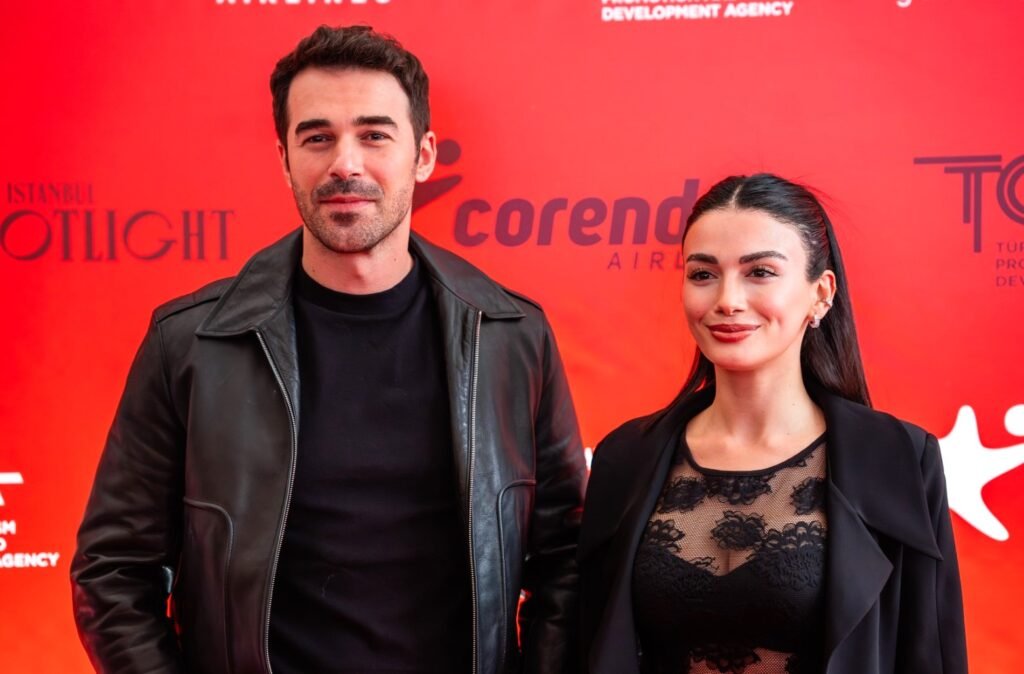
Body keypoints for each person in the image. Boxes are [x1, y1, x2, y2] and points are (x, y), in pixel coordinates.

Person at [71, 25, 586, 674]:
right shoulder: (192, 344)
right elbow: (113, 570)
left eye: (374, 134)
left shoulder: (511, 336)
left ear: (423, 155)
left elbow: (567, 559)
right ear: (285, 159)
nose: (346, 163)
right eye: (318, 137)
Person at [578, 173, 967, 674]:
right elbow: (586, 644)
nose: (727, 300)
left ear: (821, 294)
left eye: (760, 272)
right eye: (703, 274)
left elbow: (929, 656)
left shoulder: (897, 458)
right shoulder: (624, 458)